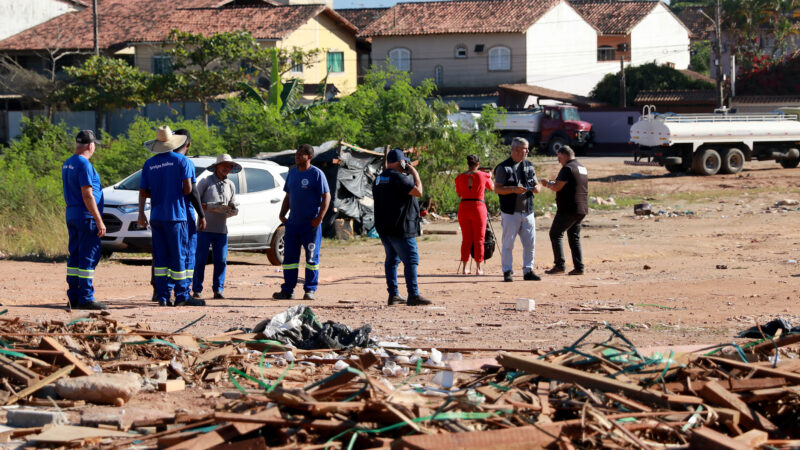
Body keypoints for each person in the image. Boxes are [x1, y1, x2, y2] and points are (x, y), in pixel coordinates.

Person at [138, 126, 205, 307]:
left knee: (160, 258)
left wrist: (140, 214)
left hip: (157, 217)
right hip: (176, 217)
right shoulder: (182, 161)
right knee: (178, 256)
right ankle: (182, 295)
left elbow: (144, 191)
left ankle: (163, 296)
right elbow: (189, 190)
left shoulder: (149, 164)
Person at [373, 148, 432, 306]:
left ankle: (394, 295)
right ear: (401, 162)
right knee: (411, 259)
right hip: (401, 227)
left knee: (392, 260)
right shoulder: (399, 178)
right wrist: (414, 173)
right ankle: (413, 294)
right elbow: (418, 191)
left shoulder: (379, 178)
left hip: (384, 227)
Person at [272, 144, 331, 301]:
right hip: (293, 224)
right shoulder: (292, 173)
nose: (297, 157)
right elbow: (288, 196)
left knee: (311, 258)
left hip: (310, 225)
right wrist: (282, 213)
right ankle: (288, 290)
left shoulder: (317, 174)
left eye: (300, 154)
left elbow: (327, 197)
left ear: (309, 156)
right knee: (290, 259)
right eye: (296, 154)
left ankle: (310, 289)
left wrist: (319, 218)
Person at [62, 130, 108, 310]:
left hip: (72, 214)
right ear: (91, 145)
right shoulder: (84, 164)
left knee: (75, 257)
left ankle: (74, 296)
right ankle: (86, 297)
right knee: (88, 257)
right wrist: (99, 220)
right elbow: (87, 195)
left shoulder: (68, 163)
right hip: (85, 216)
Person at [494, 137, 541, 282]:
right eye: (525, 148)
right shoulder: (503, 167)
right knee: (508, 243)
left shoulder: (529, 165)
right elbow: (497, 189)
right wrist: (513, 189)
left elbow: (537, 184)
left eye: (527, 148)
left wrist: (536, 188)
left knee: (530, 243)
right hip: (510, 212)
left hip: (527, 210)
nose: (527, 151)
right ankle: (507, 271)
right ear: (515, 150)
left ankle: (528, 271)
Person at [192, 154, 240, 299]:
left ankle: (218, 290)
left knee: (221, 260)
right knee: (200, 260)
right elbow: (196, 201)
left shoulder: (230, 185)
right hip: (204, 228)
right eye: (224, 165)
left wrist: (232, 210)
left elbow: (232, 205)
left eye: (230, 166)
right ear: (216, 166)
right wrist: (210, 207)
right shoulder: (206, 182)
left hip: (221, 229)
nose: (227, 168)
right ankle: (197, 289)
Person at [541, 146, 589, 276]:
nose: (558, 160)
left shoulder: (567, 168)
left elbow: (557, 187)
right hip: (581, 208)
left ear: (564, 155)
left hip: (569, 208)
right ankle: (579, 267)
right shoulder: (581, 168)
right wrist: (552, 182)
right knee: (574, 237)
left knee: (555, 234)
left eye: (559, 157)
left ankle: (559, 265)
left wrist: (547, 184)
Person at [454, 154, 494, 275]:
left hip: (464, 207)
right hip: (478, 207)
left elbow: (459, 194)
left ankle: (465, 267)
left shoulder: (460, 177)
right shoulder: (484, 175)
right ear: (477, 164)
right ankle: (478, 267)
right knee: (479, 239)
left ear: (468, 164)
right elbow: (491, 187)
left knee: (466, 239)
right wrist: (490, 176)